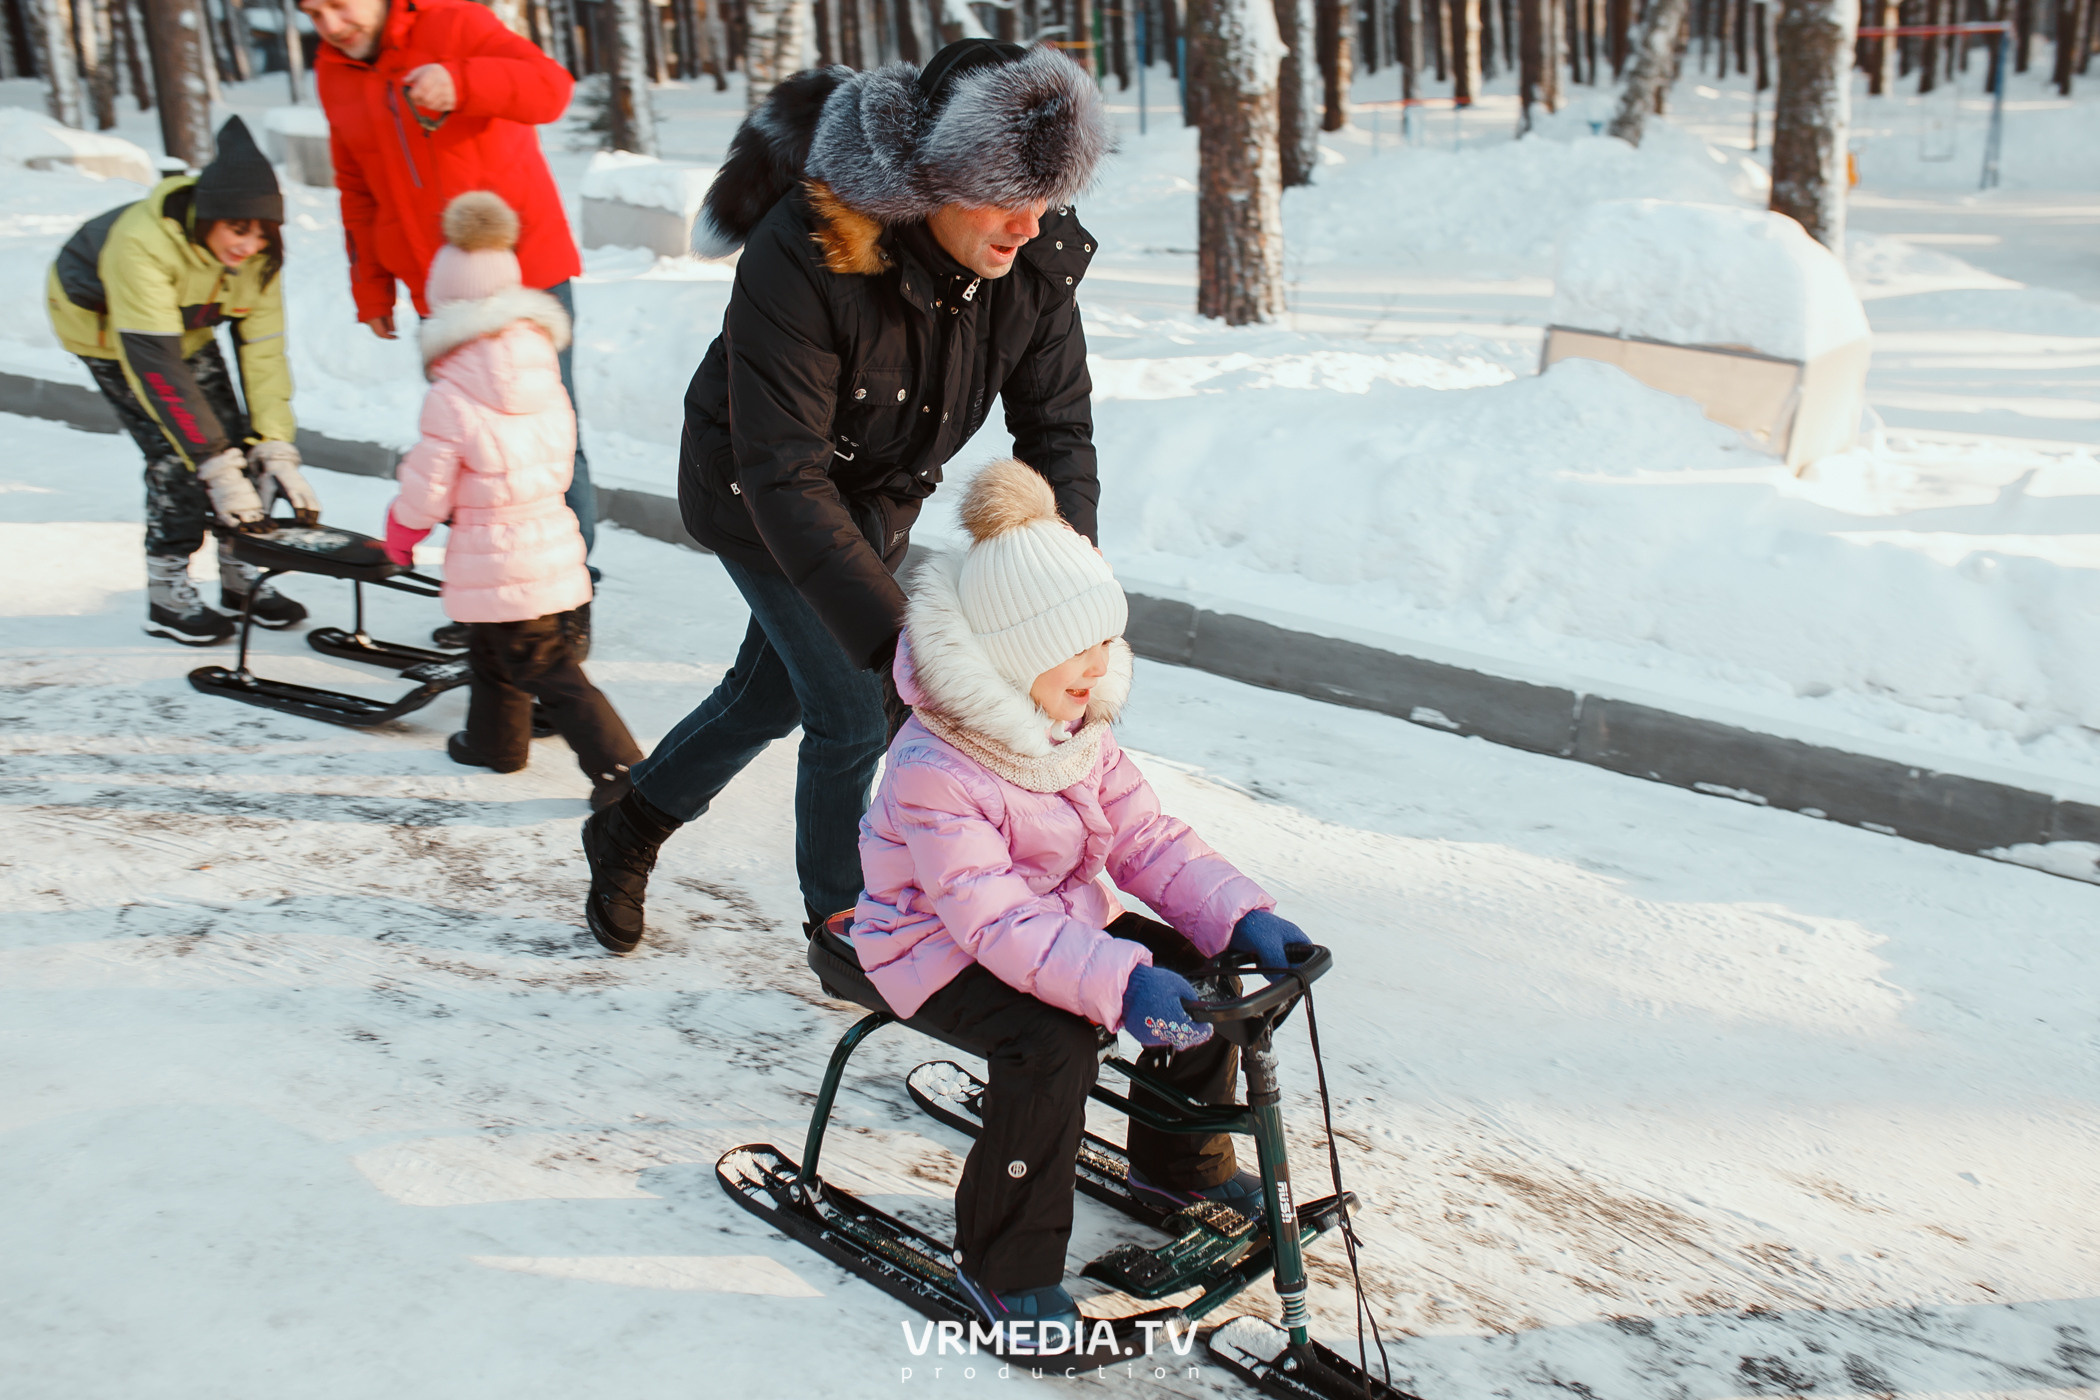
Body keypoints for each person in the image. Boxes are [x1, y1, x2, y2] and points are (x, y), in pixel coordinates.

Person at [581, 40, 1112, 955]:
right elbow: (784, 473)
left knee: (766, 699)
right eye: (1006, 196)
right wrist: (892, 648)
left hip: (879, 500)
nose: (1030, 225)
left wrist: (1070, 594)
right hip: (759, 492)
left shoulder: (1031, 261)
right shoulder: (811, 245)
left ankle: (630, 824)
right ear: (939, 178)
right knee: (855, 709)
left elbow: (1056, 429)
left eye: (1045, 197)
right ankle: (856, 933)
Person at [852, 459, 1315, 1329]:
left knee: (1197, 963)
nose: (1099, 667)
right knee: (1053, 1044)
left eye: (1105, 641)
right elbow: (992, 919)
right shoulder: (933, 767)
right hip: (932, 944)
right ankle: (1005, 1266)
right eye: (1076, 647)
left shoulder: (1072, 729)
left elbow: (1146, 838)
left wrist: (1239, 915)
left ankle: (1180, 1166)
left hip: (1048, 927)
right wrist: (1117, 981)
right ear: (1011, 653)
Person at [301, 0, 598, 575]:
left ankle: (565, 585)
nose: (331, 27)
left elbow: (551, 90)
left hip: (524, 276)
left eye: (338, 5)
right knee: (463, 444)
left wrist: (463, 82)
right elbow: (355, 185)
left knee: (544, 436)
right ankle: (490, 585)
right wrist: (371, 288)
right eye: (314, 14)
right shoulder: (333, 71)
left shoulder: (455, 22)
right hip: (435, 290)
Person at [381, 193, 640, 811]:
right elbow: (561, 452)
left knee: (543, 661)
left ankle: (625, 770)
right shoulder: (541, 369)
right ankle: (495, 743)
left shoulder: (452, 390)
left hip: (496, 546)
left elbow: (430, 480)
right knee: (492, 647)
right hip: (546, 529)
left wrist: (404, 528)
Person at [45, 116, 321, 645]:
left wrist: (276, 445)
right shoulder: (142, 243)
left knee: (243, 448)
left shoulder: (260, 259)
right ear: (208, 217)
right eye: (238, 229)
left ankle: (241, 573)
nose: (249, 245)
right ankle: (167, 591)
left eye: (262, 233)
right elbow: (157, 366)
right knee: (180, 456)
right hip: (109, 332)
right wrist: (212, 464)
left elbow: (263, 352)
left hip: (185, 326)